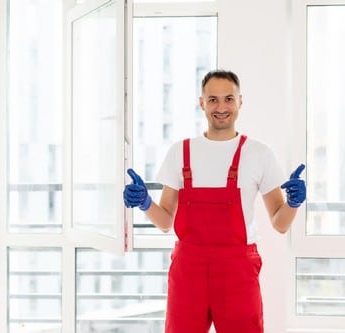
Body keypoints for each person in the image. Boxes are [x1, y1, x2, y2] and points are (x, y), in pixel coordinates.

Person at [123, 69, 306, 333]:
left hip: (237, 272)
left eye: (228, 99)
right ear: (202, 103)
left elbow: (280, 223)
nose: (221, 107)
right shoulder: (180, 152)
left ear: (240, 101)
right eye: (213, 100)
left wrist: (293, 203)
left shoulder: (259, 154)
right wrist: (144, 203)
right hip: (189, 270)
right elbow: (165, 221)